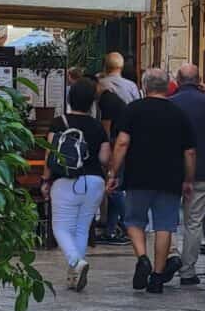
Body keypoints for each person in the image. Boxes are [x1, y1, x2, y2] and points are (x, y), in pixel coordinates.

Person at [107, 68, 196, 294]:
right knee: (165, 226)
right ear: (167, 86)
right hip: (170, 176)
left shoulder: (133, 110)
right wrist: (188, 179)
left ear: (144, 86)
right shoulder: (179, 113)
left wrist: (113, 172)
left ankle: (142, 257)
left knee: (134, 221)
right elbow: (190, 152)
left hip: (139, 175)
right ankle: (157, 276)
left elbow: (122, 143)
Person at [41, 78, 109, 292]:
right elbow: (105, 158)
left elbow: (50, 154)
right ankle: (74, 274)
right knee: (82, 227)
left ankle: (75, 262)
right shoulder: (98, 126)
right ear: (91, 102)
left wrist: (45, 180)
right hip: (94, 181)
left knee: (60, 227)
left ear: (70, 98)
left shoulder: (59, 122)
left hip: (66, 180)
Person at [169, 64, 205, 286]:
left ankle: (168, 259)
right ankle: (187, 271)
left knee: (167, 219)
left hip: (172, 170)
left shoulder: (170, 103)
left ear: (178, 79)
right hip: (201, 169)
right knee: (194, 222)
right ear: (199, 79)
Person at [95, 82, 128, 243]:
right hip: (119, 142)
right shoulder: (112, 98)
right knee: (114, 188)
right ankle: (111, 230)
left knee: (114, 188)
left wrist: (107, 153)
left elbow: (106, 129)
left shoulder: (106, 101)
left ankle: (129, 223)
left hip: (117, 144)